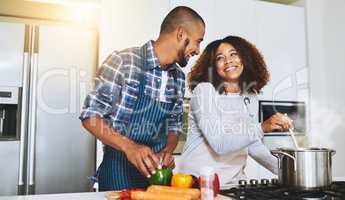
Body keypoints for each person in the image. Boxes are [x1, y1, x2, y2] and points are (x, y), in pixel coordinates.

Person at [79, 6, 205, 190]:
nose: (198, 50)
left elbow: (174, 125)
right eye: (198, 41)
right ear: (180, 34)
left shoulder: (178, 77)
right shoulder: (123, 61)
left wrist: (167, 151)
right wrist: (130, 147)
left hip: (158, 178)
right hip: (117, 174)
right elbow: (90, 117)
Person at [179, 36, 293, 186]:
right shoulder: (205, 91)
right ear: (213, 66)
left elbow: (253, 144)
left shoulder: (250, 95)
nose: (228, 61)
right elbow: (219, 144)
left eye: (233, 54)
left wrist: (288, 172)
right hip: (200, 183)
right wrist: (262, 127)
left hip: (234, 184)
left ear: (245, 58)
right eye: (220, 58)